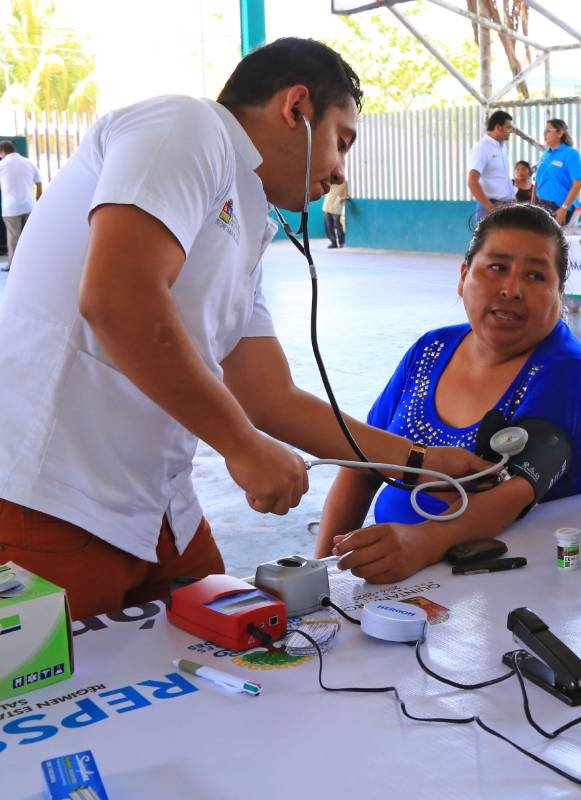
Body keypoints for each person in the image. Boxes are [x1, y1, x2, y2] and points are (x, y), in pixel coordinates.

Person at [0, 38, 487, 619]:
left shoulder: (249, 220)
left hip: (157, 507)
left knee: (238, 651)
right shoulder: (186, 127)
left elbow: (269, 396)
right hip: (53, 499)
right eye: (341, 141)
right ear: (296, 107)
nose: (339, 171)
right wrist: (242, 447)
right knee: (69, 679)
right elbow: (117, 298)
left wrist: (420, 463)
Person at [317, 204, 581, 583]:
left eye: (535, 275)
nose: (512, 289)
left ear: (559, 293)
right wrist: (321, 577)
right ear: (464, 276)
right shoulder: (430, 350)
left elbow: (514, 491)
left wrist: (422, 543)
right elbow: (362, 465)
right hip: (411, 586)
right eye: (496, 267)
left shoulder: (568, 374)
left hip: (528, 590)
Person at [467, 110, 515, 225]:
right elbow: (472, 181)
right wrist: (490, 207)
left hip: (506, 206)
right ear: (498, 127)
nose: (510, 131)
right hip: (491, 207)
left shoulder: (502, 147)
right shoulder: (482, 148)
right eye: (508, 127)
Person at [532, 119, 581, 226]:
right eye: (544, 131)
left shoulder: (571, 154)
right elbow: (536, 182)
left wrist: (564, 208)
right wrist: (532, 206)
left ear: (560, 133)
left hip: (560, 209)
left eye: (548, 130)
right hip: (542, 207)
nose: (544, 134)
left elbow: (577, 184)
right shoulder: (545, 155)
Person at [0, 140, 42, 268]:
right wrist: (38, 197)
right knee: (31, 236)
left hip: (11, 208)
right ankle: (34, 262)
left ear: (2, 152)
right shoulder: (28, 162)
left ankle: (13, 266)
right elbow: (39, 182)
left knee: (13, 237)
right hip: (29, 205)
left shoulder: (2, 165)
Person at [323, 177, 349, 248]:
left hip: (336, 208)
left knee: (338, 225)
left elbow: (346, 195)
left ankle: (342, 242)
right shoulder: (329, 182)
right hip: (327, 207)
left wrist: (341, 199)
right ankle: (333, 242)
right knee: (328, 226)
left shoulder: (344, 183)